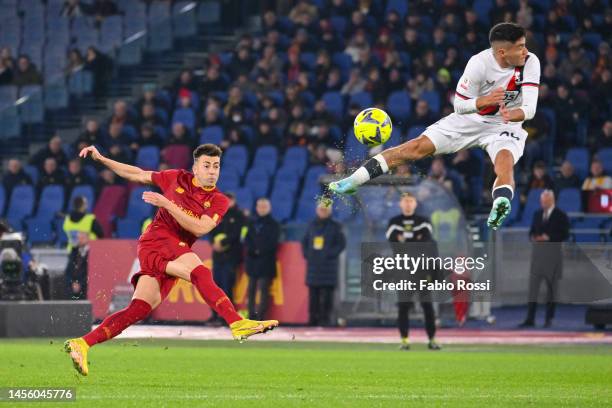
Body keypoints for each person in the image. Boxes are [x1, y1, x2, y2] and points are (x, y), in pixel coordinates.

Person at [64, 144, 278, 376]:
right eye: (206, 165)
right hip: (156, 240)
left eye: (216, 166)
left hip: (176, 247)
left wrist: (168, 204)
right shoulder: (176, 178)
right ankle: (236, 322)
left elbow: (200, 227)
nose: (212, 171)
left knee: (138, 309)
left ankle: (83, 343)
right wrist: (102, 158)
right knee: (200, 273)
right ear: (195, 167)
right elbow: (137, 173)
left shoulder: (219, 200)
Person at [330, 23, 540, 231]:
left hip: (505, 124)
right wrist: (483, 101)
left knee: (504, 161)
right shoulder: (479, 64)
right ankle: (354, 180)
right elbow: (459, 105)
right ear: (502, 52)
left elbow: (530, 109)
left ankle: (501, 202)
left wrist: (510, 114)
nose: (526, 50)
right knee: (415, 148)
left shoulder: (530, 62)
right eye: (520, 46)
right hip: (470, 120)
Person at [386, 192, 441, 351]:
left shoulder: (424, 222)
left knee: (427, 306)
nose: (408, 204)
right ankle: (404, 340)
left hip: (422, 272)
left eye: (411, 201)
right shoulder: (394, 222)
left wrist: (405, 240)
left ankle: (432, 339)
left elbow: (425, 243)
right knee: (403, 306)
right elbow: (395, 245)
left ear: (415, 203)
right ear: (400, 204)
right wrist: (414, 240)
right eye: (405, 201)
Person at [519, 190, 569, 328]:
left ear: (552, 200)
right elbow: (531, 232)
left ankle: (549, 319)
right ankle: (530, 318)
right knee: (532, 290)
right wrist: (533, 238)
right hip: (537, 258)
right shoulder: (537, 214)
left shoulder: (561, 215)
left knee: (551, 291)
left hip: (553, 258)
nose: (543, 203)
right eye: (542, 201)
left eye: (546, 201)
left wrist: (548, 238)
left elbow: (565, 234)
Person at [301, 199, 346, 326]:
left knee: (327, 296)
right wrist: (308, 255)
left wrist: (328, 255)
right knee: (313, 296)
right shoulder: (311, 225)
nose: (323, 211)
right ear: (317, 210)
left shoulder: (336, 226)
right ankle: (312, 320)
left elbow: (341, 244)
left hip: (329, 267)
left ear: (330, 211)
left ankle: (326, 320)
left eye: (325, 209)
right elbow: (304, 242)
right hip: (313, 266)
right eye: (321, 209)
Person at [210, 193, 246, 325]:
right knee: (215, 288)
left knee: (227, 287)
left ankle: (227, 316)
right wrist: (213, 243)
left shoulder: (239, 216)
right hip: (218, 257)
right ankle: (215, 315)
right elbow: (209, 229)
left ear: (234, 201)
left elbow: (236, 234)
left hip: (231, 256)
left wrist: (223, 242)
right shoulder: (216, 214)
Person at [244, 198, 280, 320]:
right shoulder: (251, 222)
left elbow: (273, 242)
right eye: (260, 206)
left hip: (266, 261)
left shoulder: (274, 224)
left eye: (264, 206)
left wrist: (259, 250)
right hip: (252, 261)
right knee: (251, 291)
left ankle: (260, 317)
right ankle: (250, 316)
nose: (262, 209)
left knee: (264, 291)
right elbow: (246, 239)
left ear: (269, 208)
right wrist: (253, 250)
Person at [65, 231, 90, 300]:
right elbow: (68, 270)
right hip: (73, 287)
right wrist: (72, 282)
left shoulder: (92, 253)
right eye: (79, 238)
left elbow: (90, 272)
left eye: (82, 238)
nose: (80, 240)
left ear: (88, 238)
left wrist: (80, 284)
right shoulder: (74, 251)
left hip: (86, 287)